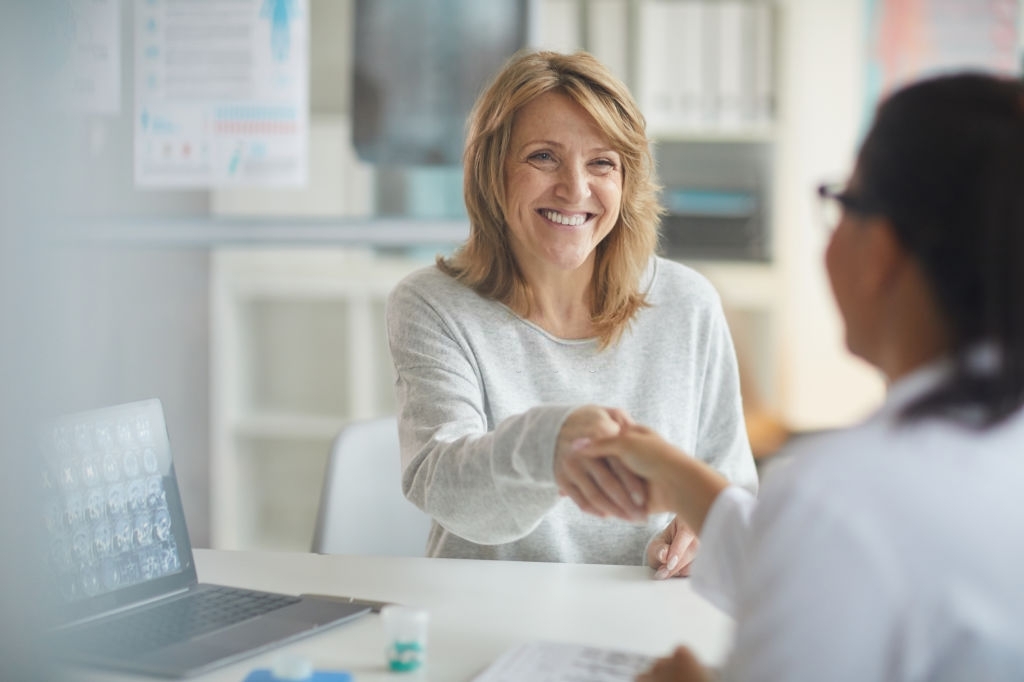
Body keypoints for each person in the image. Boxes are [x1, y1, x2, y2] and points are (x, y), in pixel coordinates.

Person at [577, 71, 1024, 680]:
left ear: (881, 253)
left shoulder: (842, 495)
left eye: (843, 202)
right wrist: (684, 482)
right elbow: (829, 567)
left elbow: (837, 547)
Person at [385, 49, 758, 572]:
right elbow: (446, 488)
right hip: (490, 618)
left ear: (626, 182)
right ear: (492, 172)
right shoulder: (431, 305)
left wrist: (701, 529)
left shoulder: (688, 303)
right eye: (543, 157)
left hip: (644, 619)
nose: (575, 189)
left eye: (601, 162)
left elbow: (732, 489)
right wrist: (550, 447)